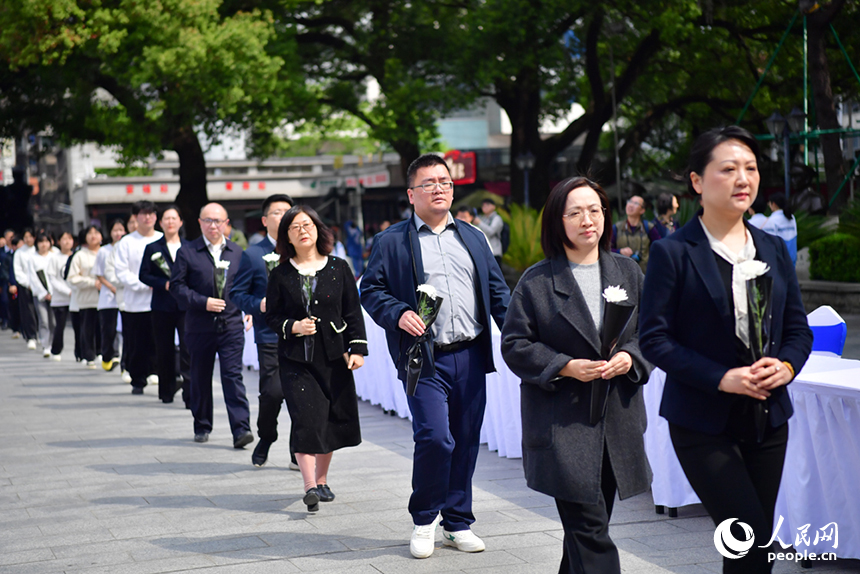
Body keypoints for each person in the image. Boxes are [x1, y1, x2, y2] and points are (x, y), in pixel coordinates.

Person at [639, 126, 813, 574]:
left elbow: (797, 328)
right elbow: (654, 338)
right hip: (703, 422)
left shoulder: (773, 247)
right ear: (697, 181)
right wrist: (721, 378)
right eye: (729, 169)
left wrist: (788, 366)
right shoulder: (673, 253)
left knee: (751, 554)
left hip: (768, 418)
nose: (743, 178)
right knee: (750, 543)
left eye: (751, 169)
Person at [361, 153, 510, 559]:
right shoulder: (391, 241)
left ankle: (457, 522)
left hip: (470, 354)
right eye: (429, 183)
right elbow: (371, 291)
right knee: (435, 437)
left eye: (445, 181)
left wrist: (520, 333)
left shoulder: (474, 237)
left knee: (464, 440)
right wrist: (399, 313)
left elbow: (498, 293)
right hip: (424, 360)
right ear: (411, 194)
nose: (440, 188)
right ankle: (425, 519)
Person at [501, 177, 651, 574]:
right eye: (575, 212)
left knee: (587, 532)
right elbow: (515, 345)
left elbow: (652, 335)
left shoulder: (628, 271)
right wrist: (565, 366)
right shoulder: (537, 281)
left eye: (595, 210)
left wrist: (629, 359)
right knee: (591, 535)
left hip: (615, 425)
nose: (588, 220)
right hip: (562, 428)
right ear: (558, 221)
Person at [265, 205, 367, 512]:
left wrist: (358, 349)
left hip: (334, 356)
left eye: (306, 224)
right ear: (287, 238)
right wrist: (292, 326)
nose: (302, 230)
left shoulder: (339, 268)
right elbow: (271, 317)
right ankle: (309, 485)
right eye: (294, 228)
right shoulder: (280, 274)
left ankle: (322, 480)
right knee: (306, 417)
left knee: (329, 419)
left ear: (318, 229)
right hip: (296, 360)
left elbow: (352, 311)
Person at [170, 202, 253, 447]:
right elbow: (177, 287)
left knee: (232, 376)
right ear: (199, 223)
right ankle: (202, 424)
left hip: (231, 326)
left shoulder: (238, 253)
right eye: (208, 220)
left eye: (218, 221)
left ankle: (241, 430)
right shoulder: (187, 252)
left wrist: (248, 310)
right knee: (199, 376)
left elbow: (247, 287)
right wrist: (202, 302)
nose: (213, 225)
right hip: (199, 325)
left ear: (227, 224)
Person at [230, 194, 300, 468]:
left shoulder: (303, 249)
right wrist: (257, 304)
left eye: (287, 211)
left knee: (300, 394)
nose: (282, 216)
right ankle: (267, 436)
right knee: (272, 393)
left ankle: (299, 451)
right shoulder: (253, 254)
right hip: (269, 335)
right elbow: (237, 293)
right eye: (276, 212)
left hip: (302, 335)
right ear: (264, 220)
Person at [139, 205, 191, 404]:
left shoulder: (189, 247)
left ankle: (189, 392)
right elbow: (143, 275)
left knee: (188, 349)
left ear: (180, 222)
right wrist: (164, 284)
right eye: (166, 219)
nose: (170, 222)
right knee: (164, 348)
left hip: (185, 306)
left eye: (173, 218)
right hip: (162, 305)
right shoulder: (153, 248)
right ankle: (166, 391)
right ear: (160, 223)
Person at [114, 201, 162, 394]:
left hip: (160, 302)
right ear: (135, 217)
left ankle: (158, 372)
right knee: (137, 343)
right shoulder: (126, 242)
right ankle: (137, 379)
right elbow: (121, 272)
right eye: (143, 214)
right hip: (135, 303)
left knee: (159, 342)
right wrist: (146, 284)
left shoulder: (162, 238)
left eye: (151, 213)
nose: (147, 217)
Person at [67, 225, 103, 368]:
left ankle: (103, 353)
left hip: (106, 299)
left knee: (104, 328)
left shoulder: (106, 252)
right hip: (87, 299)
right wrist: (91, 282)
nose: (93, 235)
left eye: (96, 232)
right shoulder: (80, 255)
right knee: (87, 329)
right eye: (90, 233)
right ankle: (89, 356)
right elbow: (72, 278)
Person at [93, 219, 126, 371]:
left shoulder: (126, 248)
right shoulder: (104, 251)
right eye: (115, 230)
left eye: (121, 230)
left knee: (125, 330)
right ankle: (108, 356)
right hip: (108, 298)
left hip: (125, 296)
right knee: (109, 329)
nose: (118, 233)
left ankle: (121, 357)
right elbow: (99, 274)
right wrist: (112, 286)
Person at [610, 196, 661, 273]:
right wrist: (619, 251)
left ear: (642, 210)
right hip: (622, 274)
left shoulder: (649, 228)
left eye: (636, 203)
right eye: (629, 201)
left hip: (644, 275)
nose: (631, 205)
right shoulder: (617, 228)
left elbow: (659, 249)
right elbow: (606, 250)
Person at [27, 233, 57, 357]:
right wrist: (44, 293)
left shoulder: (54, 256)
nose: (44, 244)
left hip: (55, 294)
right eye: (41, 241)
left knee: (54, 322)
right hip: (40, 294)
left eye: (46, 241)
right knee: (43, 320)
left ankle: (54, 343)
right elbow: (33, 278)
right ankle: (46, 345)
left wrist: (52, 292)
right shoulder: (32, 258)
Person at [47, 232, 74, 360]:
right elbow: (53, 279)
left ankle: (81, 353)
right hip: (60, 299)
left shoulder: (76, 256)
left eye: (69, 239)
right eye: (64, 239)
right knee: (60, 326)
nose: (67, 242)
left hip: (76, 298)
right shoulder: (54, 258)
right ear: (58, 242)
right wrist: (67, 291)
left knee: (80, 327)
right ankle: (56, 350)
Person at [13, 229, 39, 349]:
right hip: (26, 286)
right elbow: (18, 271)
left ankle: (40, 334)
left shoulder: (38, 251)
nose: (28, 239)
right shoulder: (19, 253)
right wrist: (27, 283)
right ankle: (31, 336)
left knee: (39, 311)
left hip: (39, 286)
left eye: (30, 236)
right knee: (28, 312)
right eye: (26, 237)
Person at [761, 192, 798, 265]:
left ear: (774, 204)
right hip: (792, 254)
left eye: (769, 203)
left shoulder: (771, 220)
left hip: (780, 257)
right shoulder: (791, 217)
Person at [474, 198, 504, 267]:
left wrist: (479, 223)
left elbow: (491, 231)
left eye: (487, 205)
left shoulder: (497, 218)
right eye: (483, 205)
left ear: (493, 207)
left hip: (494, 252)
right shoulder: (481, 218)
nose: (485, 207)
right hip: (483, 252)